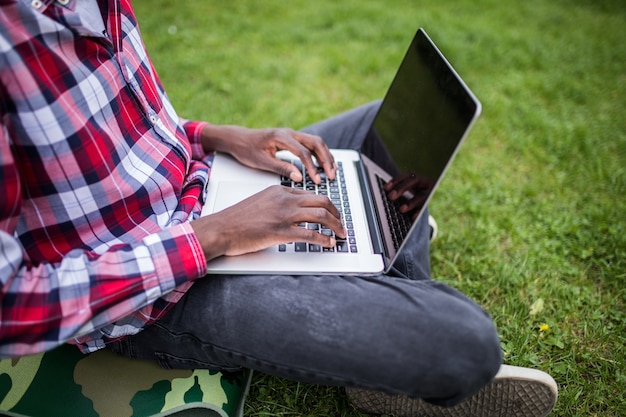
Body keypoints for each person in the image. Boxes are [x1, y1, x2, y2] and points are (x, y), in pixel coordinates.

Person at [0, 1, 557, 415]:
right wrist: (214, 235)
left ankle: (370, 265)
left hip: (210, 183)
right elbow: (11, 304)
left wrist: (217, 136)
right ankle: (381, 284)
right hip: (155, 294)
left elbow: (126, 133)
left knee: (381, 126)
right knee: (465, 343)